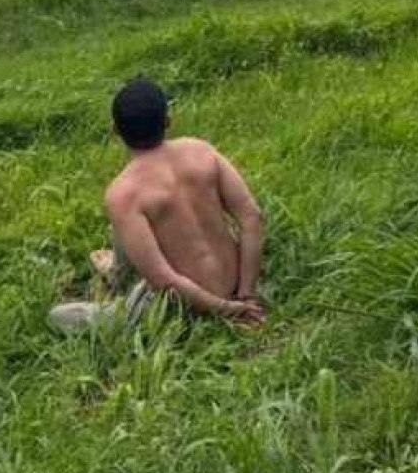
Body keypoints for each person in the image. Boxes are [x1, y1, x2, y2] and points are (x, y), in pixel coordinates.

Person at [49, 78, 268, 334]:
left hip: (182, 305)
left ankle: (118, 275)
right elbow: (252, 217)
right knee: (123, 226)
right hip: (234, 280)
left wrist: (225, 309)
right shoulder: (201, 151)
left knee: (58, 316)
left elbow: (163, 280)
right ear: (168, 121)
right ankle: (117, 271)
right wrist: (246, 296)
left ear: (115, 131)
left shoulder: (123, 193)